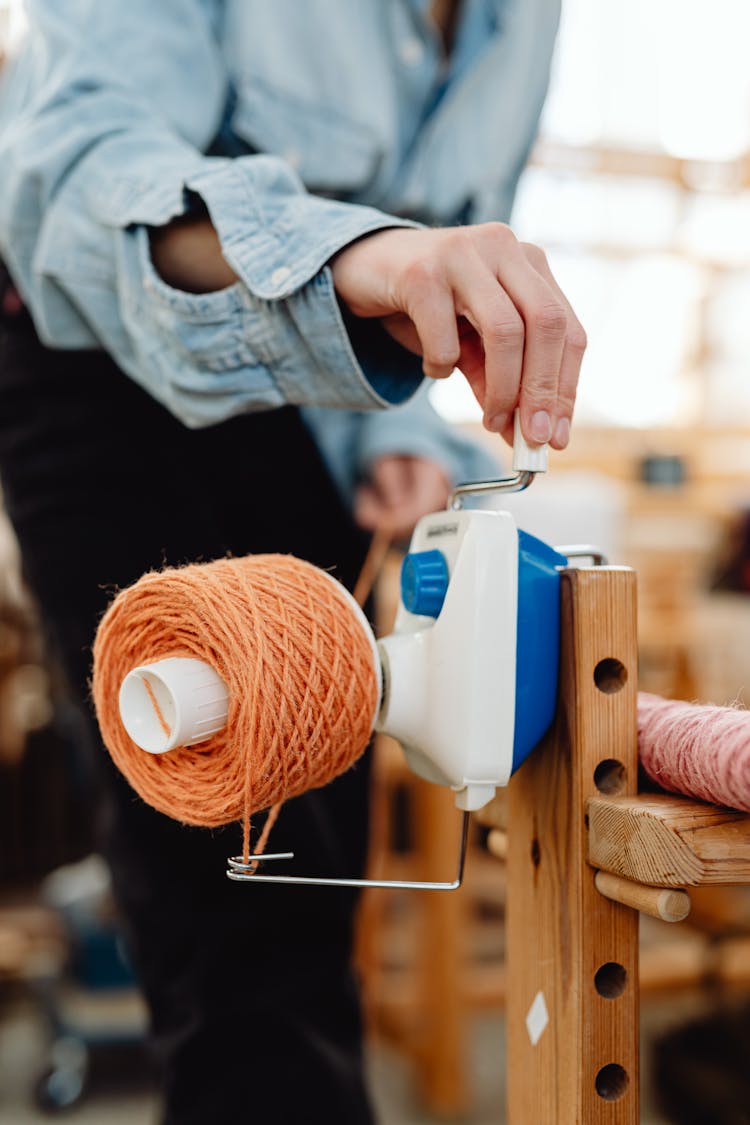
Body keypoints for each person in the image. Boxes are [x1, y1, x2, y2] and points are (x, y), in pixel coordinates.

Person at [0, 2, 585, 1122]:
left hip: (307, 401)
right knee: (233, 924)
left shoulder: (526, 22)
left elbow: (431, 268)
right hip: (93, 353)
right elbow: (78, 176)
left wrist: (397, 436)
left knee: (309, 890)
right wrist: (362, 255)